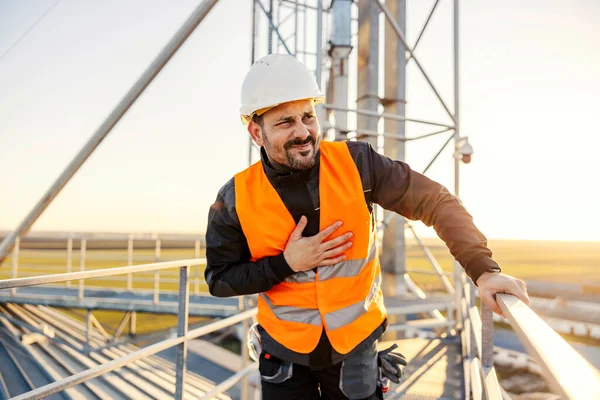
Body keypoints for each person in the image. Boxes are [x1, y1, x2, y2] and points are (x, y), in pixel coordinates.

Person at [205, 53, 529, 400]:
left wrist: (484, 270)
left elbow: (436, 201)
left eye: (308, 117)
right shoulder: (235, 198)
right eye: (285, 122)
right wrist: (287, 263)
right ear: (257, 132)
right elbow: (220, 279)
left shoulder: (357, 164)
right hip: (283, 355)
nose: (303, 132)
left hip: (355, 351)